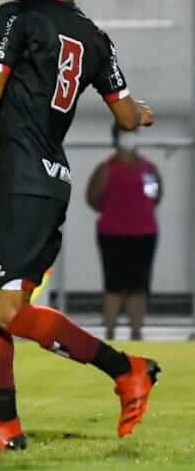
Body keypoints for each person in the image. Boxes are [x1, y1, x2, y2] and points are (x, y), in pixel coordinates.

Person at [0, 0, 159, 451]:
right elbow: (126, 113)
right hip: (40, 180)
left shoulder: (17, 16)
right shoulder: (96, 38)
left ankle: (127, 368)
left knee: (7, 312)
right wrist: (138, 112)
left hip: (25, 184)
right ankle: (4, 424)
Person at [86, 124, 162, 341]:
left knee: (139, 285)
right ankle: (110, 332)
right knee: (114, 285)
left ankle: (136, 332)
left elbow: (155, 196)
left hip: (144, 234)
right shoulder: (106, 169)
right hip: (113, 235)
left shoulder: (149, 169)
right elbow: (93, 197)